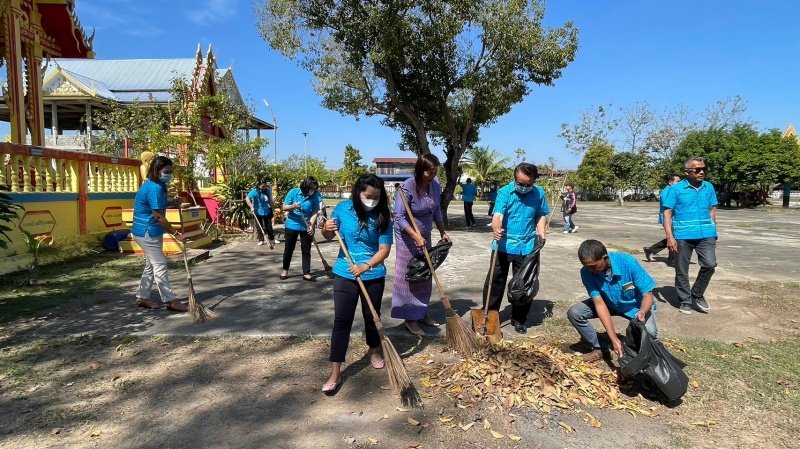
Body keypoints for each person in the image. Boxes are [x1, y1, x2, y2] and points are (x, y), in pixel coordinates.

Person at [320, 174, 393, 394]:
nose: (372, 200)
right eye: (368, 196)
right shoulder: (343, 209)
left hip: (373, 273)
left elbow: (384, 250)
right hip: (344, 272)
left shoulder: (383, 216)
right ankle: (335, 372)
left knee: (372, 318)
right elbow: (328, 236)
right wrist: (326, 227)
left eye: (377, 197)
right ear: (357, 193)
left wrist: (366, 266)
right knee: (342, 321)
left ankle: (373, 350)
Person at [484, 162, 549, 334]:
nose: (524, 187)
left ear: (534, 181)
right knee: (495, 282)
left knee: (524, 284)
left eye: (528, 184)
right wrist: (496, 228)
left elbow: (541, 214)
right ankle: (489, 316)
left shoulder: (539, 193)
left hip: (527, 246)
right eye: (520, 183)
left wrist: (542, 233)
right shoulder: (505, 192)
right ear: (515, 179)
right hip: (503, 244)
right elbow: (497, 215)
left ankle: (519, 319)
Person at [567, 239, 658, 363]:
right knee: (575, 312)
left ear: (605, 258)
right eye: (587, 267)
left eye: (593, 266)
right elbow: (599, 303)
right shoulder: (586, 272)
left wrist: (642, 312)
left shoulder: (627, 262)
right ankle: (601, 349)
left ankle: (635, 355)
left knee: (650, 333)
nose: (590, 270)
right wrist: (614, 338)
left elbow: (647, 294)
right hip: (608, 303)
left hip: (635, 307)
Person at [392, 154, 452, 335]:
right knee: (410, 276)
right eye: (429, 172)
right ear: (419, 169)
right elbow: (399, 216)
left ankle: (422, 311)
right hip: (407, 238)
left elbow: (437, 212)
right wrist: (414, 235)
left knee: (426, 274)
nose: (432, 175)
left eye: (435, 172)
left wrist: (442, 231)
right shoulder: (407, 186)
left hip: (425, 236)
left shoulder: (434, 185)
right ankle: (410, 319)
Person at [131, 155, 187, 312]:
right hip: (147, 231)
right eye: (166, 171)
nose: (169, 174)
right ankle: (171, 300)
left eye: (170, 171)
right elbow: (158, 216)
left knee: (151, 265)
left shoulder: (157, 185)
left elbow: (157, 205)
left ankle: (143, 298)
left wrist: (171, 202)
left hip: (152, 231)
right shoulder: (154, 188)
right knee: (160, 264)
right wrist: (176, 234)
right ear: (157, 171)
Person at [663, 157, 718, 315]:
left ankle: (697, 294)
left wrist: (714, 232)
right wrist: (669, 237)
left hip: (706, 234)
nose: (702, 172)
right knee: (682, 269)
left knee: (710, 264)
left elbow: (711, 210)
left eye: (704, 169)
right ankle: (685, 300)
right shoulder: (676, 189)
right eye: (698, 169)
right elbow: (667, 213)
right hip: (683, 235)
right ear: (687, 172)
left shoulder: (708, 187)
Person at [281, 177, 323, 281]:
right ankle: (285, 270)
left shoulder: (315, 196)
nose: (312, 191)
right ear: (305, 187)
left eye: (314, 189)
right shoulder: (294, 192)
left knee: (306, 250)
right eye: (311, 189)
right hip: (292, 224)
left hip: (306, 225)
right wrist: (294, 206)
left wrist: (311, 225)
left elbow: (315, 211)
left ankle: (306, 273)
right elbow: (284, 207)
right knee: (289, 249)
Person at [643, 174, 681, 265]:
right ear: (670, 182)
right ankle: (672, 259)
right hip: (669, 218)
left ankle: (651, 250)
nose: (680, 183)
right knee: (674, 238)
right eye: (678, 181)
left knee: (674, 238)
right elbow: (668, 207)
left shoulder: (672, 190)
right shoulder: (667, 192)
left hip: (673, 218)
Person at [245, 178, 275, 249]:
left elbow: (270, 199)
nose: (264, 188)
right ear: (259, 185)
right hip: (257, 211)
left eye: (265, 186)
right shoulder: (254, 191)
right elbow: (247, 199)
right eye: (262, 186)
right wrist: (251, 206)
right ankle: (261, 240)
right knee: (259, 226)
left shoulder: (267, 191)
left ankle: (272, 239)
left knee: (269, 225)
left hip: (267, 211)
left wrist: (272, 207)